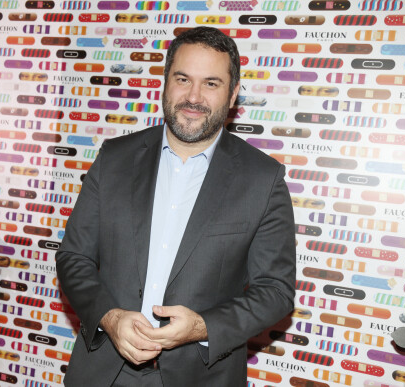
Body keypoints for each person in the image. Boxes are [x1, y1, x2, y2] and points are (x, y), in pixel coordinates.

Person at [56, 26, 296, 386]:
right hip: (103, 370)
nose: (194, 96)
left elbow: (275, 291)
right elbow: (73, 257)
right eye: (183, 78)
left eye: (211, 83)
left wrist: (201, 327)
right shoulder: (114, 159)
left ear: (232, 96)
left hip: (200, 375)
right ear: (165, 83)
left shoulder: (263, 180)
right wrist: (110, 317)